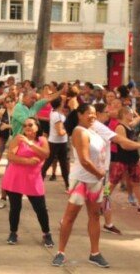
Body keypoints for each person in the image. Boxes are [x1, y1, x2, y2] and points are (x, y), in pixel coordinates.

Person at [52, 103, 110, 268]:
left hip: (95, 182)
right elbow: (84, 160)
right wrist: (99, 174)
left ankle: (95, 253)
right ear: (80, 115)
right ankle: (60, 252)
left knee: (95, 217)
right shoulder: (79, 131)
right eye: (89, 114)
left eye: (94, 114)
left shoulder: (93, 131)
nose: (92, 116)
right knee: (70, 217)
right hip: (81, 181)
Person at [3, 117, 53, 247]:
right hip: (15, 178)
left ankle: (46, 233)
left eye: (30, 125)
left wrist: (30, 144)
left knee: (40, 208)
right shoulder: (18, 138)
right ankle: (13, 233)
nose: (27, 127)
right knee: (15, 208)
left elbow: (46, 154)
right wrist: (28, 161)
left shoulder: (42, 140)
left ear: (37, 126)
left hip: (33, 179)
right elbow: (10, 156)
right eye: (25, 125)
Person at [42, 96, 69, 189]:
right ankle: (67, 185)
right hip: (57, 142)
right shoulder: (57, 115)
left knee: (61, 164)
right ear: (60, 103)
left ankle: (67, 185)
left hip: (58, 142)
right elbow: (60, 132)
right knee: (55, 163)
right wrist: (69, 128)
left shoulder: (54, 113)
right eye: (62, 101)